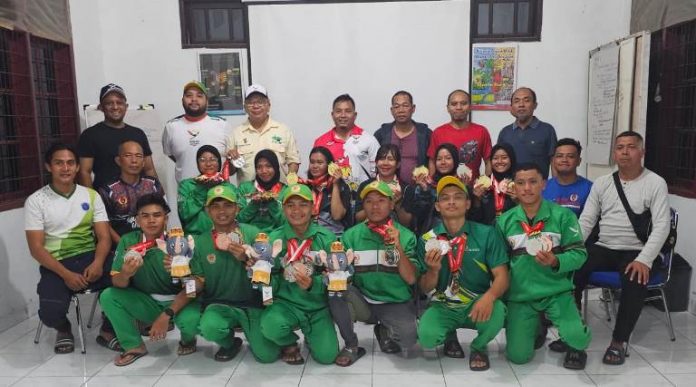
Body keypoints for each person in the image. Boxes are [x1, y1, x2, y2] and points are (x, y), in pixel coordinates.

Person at [574, 131, 670, 366]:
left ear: (642, 152)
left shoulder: (655, 183)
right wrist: (572, 249)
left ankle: (619, 341)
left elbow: (662, 227)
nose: (625, 152)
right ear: (614, 153)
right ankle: (573, 331)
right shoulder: (603, 183)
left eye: (631, 147)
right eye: (620, 147)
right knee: (572, 268)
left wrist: (645, 259)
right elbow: (586, 221)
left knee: (635, 277)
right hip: (605, 247)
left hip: (638, 250)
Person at [25, 143, 118, 354]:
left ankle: (108, 330)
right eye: (59, 163)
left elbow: (104, 238)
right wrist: (66, 274)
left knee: (129, 275)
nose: (65, 168)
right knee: (49, 313)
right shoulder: (36, 201)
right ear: (49, 167)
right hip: (57, 263)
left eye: (70, 163)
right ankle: (64, 328)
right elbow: (36, 249)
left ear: (77, 167)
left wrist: (98, 263)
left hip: (90, 257)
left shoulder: (91, 196)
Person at [497, 163, 590, 370]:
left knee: (577, 339)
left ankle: (575, 342)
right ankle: (536, 326)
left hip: (556, 292)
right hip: (521, 295)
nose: (527, 188)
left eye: (533, 182)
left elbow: (579, 254)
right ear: (515, 187)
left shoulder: (564, 216)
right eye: (521, 183)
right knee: (518, 357)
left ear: (544, 184)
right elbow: (499, 263)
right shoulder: (504, 221)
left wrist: (557, 261)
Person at [417, 176, 509, 371]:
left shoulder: (487, 234)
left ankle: (479, 347)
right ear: (437, 206)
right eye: (445, 198)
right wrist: (433, 271)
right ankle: (450, 335)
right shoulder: (427, 240)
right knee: (427, 337)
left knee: (498, 311)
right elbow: (424, 287)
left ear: (467, 204)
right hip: (444, 305)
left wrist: (490, 297)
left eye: (458, 197)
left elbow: (502, 276)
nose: (451, 202)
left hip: (477, 302)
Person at [100, 194, 200, 366]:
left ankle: (188, 339)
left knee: (190, 321)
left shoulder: (180, 243)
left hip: (180, 302)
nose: (151, 221)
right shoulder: (129, 241)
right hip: (148, 303)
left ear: (166, 219)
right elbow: (117, 283)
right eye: (145, 216)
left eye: (157, 215)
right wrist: (126, 274)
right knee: (109, 296)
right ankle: (133, 345)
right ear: (137, 220)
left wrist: (184, 274)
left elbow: (195, 288)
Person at [329, 181, 419, 366]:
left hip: (394, 302)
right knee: (335, 289)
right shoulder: (351, 236)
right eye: (369, 201)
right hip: (364, 301)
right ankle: (351, 345)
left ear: (392, 204)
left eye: (381, 200)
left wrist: (398, 246)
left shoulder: (406, 236)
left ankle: (384, 330)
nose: (375, 206)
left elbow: (411, 278)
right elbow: (343, 274)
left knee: (409, 340)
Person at [189, 184, 280, 363]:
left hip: (253, 304)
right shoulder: (200, 242)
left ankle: (254, 329)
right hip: (219, 304)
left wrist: (248, 259)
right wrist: (184, 276)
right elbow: (199, 282)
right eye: (215, 206)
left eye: (228, 205)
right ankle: (230, 343)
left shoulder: (253, 234)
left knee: (268, 356)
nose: (221, 211)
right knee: (209, 327)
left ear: (237, 208)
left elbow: (271, 271)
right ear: (207, 211)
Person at [261, 184, 340, 365]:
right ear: (283, 209)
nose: (296, 210)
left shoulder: (326, 238)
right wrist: (261, 275)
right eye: (290, 205)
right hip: (286, 304)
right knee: (270, 326)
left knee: (327, 357)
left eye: (303, 205)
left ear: (313, 208)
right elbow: (269, 279)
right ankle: (289, 343)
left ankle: (313, 335)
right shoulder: (275, 239)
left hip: (318, 307)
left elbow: (338, 277)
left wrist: (314, 284)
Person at [78, 83, 156, 189]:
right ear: (101, 107)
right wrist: (92, 201)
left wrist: (158, 195)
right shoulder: (90, 135)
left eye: (119, 103)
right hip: (105, 200)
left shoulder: (138, 134)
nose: (115, 107)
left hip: (139, 198)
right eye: (109, 103)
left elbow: (149, 169)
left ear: (126, 106)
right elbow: (84, 172)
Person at [227, 84, 300, 183]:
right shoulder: (236, 133)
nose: (256, 106)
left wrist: (290, 183)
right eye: (251, 102)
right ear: (245, 107)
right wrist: (232, 160)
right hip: (248, 195)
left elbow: (293, 161)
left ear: (268, 105)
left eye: (260, 102)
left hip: (278, 194)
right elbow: (231, 172)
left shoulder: (283, 130)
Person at [98, 140, 165, 245]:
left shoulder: (153, 184)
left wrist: (158, 242)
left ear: (143, 162)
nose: (134, 160)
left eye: (138, 156)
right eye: (128, 155)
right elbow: (104, 223)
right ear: (118, 160)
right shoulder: (107, 190)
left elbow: (163, 215)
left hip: (153, 243)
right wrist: (122, 244)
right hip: (121, 244)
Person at [162, 81, 229, 183]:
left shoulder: (222, 124)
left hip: (217, 193)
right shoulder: (171, 126)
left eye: (199, 96)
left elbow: (231, 158)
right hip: (187, 193)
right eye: (189, 95)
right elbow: (172, 154)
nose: (194, 99)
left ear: (207, 101)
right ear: (182, 100)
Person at [314, 94, 380, 191]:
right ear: (332, 115)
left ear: (355, 115)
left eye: (348, 111)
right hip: (330, 197)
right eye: (338, 111)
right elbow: (315, 173)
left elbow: (378, 173)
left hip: (362, 198)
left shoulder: (369, 140)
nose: (343, 115)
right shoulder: (321, 142)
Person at [427, 90, 492, 182]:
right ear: (448, 108)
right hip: (445, 189)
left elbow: (488, 162)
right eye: (454, 104)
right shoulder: (438, 132)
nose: (459, 107)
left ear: (470, 107)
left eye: (463, 103)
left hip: (474, 191)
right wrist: (434, 186)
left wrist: (487, 186)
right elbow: (432, 161)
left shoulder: (481, 131)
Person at [374, 90, 432, 185]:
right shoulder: (382, 134)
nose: (401, 110)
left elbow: (432, 162)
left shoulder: (425, 134)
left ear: (413, 108)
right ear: (392, 110)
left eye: (405, 106)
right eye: (396, 107)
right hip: (386, 191)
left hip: (418, 191)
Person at [497, 87, 557, 178]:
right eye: (516, 101)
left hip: (538, 189)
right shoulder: (505, 132)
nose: (521, 104)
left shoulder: (547, 130)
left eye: (526, 100)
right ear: (511, 107)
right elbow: (499, 163)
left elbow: (554, 162)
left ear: (535, 105)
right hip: (510, 189)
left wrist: (554, 189)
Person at [401, 143, 460, 236]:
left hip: (458, 235)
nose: (443, 162)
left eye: (448, 158)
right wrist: (424, 191)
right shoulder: (427, 184)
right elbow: (420, 217)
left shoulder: (462, 185)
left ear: (455, 160)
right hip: (430, 237)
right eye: (439, 159)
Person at [177, 145, 237, 235]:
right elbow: (184, 214)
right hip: (195, 237)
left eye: (212, 159)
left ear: (219, 162)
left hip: (225, 236)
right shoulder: (186, 185)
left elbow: (239, 216)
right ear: (197, 164)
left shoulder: (228, 187)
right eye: (202, 160)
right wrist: (202, 189)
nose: (208, 164)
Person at [303, 146, 352, 236]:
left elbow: (337, 215)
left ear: (329, 165)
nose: (315, 166)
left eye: (320, 162)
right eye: (312, 162)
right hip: (310, 236)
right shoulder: (306, 187)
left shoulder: (341, 187)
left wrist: (335, 185)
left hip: (334, 237)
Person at [354, 144, 408, 223]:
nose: (385, 163)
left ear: (398, 164)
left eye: (390, 159)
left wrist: (397, 204)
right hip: (369, 232)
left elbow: (407, 222)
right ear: (376, 162)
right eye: (382, 159)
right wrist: (372, 204)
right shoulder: (365, 186)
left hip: (396, 232)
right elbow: (358, 218)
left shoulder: (405, 188)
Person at [236, 150, 286, 232]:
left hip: (276, 237)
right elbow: (237, 221)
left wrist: (273, 205)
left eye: (269, 166)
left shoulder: (285, 190)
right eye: (259, 167)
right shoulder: (245, 188)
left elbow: (287, 223)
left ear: (276, 167)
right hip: (249, 236)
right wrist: (253, 205)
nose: (264, 171)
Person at [469, 143, 518, 225]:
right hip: (488, 233)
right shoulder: (483, 183)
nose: (499, 161)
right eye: (495, 158)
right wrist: (476, 200)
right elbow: (475, 219)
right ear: (491, 161)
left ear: (511, 159)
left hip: (512, 231)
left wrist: (519, 202)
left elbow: (529, 215)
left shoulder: (518, 183)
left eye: (504, 158)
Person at [543, 138, 593, 217]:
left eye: (570, 156)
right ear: (553, 161)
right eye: (559, 156)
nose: (564, 160)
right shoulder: (543, 187)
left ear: (579, 161)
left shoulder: (590, 189)